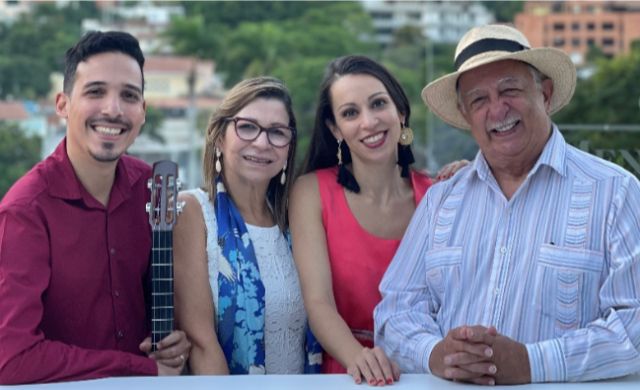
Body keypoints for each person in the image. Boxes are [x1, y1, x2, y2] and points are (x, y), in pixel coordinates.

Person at [375, 24, 640, 385]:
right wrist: (437, 354)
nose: (498, 110)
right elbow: (394, 311)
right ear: (466, 115)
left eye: (509, 90)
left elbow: (635, 322)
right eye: (479, 100)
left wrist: (533, 363)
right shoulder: (440, 201)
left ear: (544, 94)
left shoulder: (616, 192)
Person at [0, 31, 190, 385]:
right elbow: (12, 360)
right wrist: (136, 367)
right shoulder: (25, 211)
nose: (113, 109)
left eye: (129, 96)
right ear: (62, 105)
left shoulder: (149, 189)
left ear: (143, 112)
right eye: (95, 91)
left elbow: (161, 312)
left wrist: (173, 340)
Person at [289, 55, 467, 386]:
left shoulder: (438, 195)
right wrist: (359, 357)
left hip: (423, 373)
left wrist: (474, 182)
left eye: (378, 104)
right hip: (348, 372)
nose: (369, 122)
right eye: (350, 113)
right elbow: (318, 302)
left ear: (400, 112)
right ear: (335, 129)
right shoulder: (311, 192)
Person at [174, 77, 318, 375]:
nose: (262, 143)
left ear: (289, 148)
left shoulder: (298, 219)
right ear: (219, 137)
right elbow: (201, 342)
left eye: (277, 132)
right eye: (247, 127)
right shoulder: (194, 212)